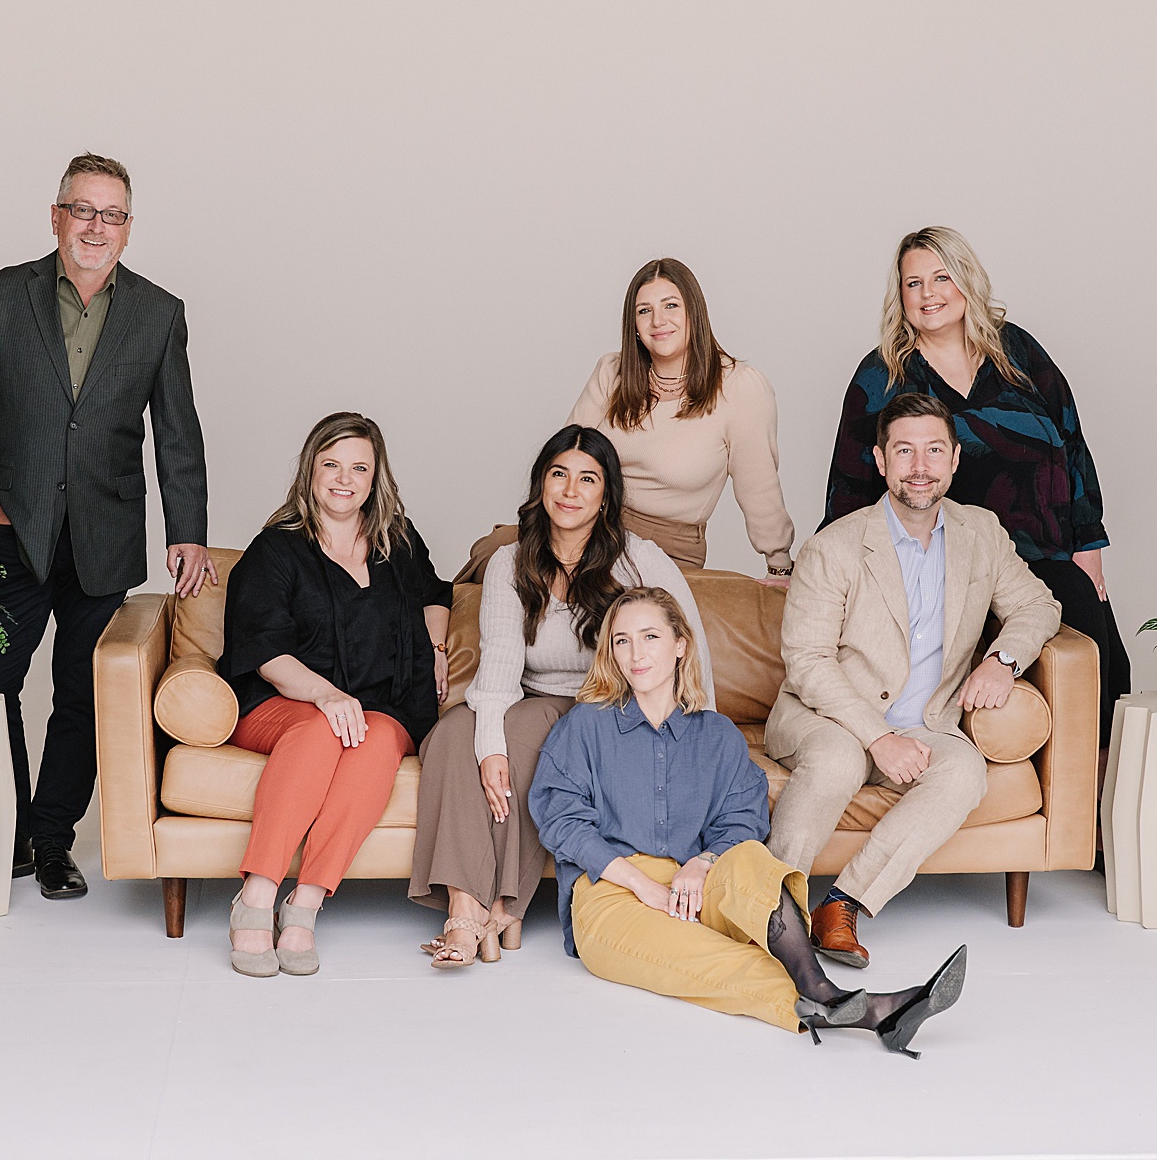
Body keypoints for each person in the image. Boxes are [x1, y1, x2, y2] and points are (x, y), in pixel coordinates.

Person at [0, 153, 213, 900]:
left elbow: (178, 431)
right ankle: (9, 833)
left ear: (128, 227)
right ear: (56, 216)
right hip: (16, 531)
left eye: (111, 214)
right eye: (83, 210)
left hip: (106, 533)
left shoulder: (158, 312)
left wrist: (187, 529)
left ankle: (53, 839)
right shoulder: (0, 295)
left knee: (84, 694)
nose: (96, 226)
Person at [530, 587, 967, 1053]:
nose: (636, 654)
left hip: (696, 882)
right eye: (622, 641)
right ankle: (858, 1006)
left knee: (754, 862)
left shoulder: (717, 734)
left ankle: (821, 989)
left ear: (680, 645)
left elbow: (743, 818)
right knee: (705, 958)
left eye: (650, 637)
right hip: (611, 891)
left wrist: (703, 862)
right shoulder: (586, 725)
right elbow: (561, 819)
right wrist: (641, 884)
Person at [769, 392, 1061, 967]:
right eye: (904, 451)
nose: (920, 466)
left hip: (925, 724)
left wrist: (1002, 661)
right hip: (827, 716)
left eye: (933, 450)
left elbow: (1038, 605)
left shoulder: (981, 532)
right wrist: (878, 736)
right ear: (881, 461)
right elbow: (807, 660)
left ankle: (842, 907)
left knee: (964, 772)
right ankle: (772, 905)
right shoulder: (834, 547)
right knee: (839, 760)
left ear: (955, 459)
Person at [408, 426, 714, 968]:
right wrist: (489, 749)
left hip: (614, 710)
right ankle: (464, 905)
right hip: (534, 698)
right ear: (541, 484)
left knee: (527, 733)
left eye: (588, 479)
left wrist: (699, 733)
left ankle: (503, 903)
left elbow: (690, 651)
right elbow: (498, 671)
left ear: (607, 494)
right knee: (455, 731)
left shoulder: (639, 560)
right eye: (558, 474)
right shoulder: (511, 561)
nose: (571, 490)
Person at [822, 226, 1129, 748]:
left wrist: (1089, 543)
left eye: (941, 278)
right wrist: (820, 569)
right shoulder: (883, 374)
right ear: (900, 295)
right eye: (913, 283)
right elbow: (851, 482)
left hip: (1044, 552)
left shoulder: (1018, 351)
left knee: (1106, 671)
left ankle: (1095, 795)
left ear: (967, 280)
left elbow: (1071, 442)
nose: (928, 294)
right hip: (949, 564)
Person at [217, 413, 451, 977]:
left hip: (384, 702)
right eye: (332, 465)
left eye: (359, 468)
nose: (345, 479)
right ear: (310, 470)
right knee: (323, 729)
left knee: (376, 743)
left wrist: (437, 647)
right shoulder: (276, 549)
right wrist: (327, 696)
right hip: (281, 702)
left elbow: (435, 593)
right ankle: (257, 895)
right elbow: (265, 652)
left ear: (375, 477)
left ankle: (306, 904)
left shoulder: (398, 541)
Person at [568, 258, 795, 579]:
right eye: (644, 310)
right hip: (589, 528)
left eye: (671, 305)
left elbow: (759, 487)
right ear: (634, 325)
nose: (658, 320)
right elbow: (566, 458)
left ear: (694, 313)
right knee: (502, 556)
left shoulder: (740, 388)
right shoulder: (612, 372)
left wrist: (779, 564)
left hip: (666, 548)